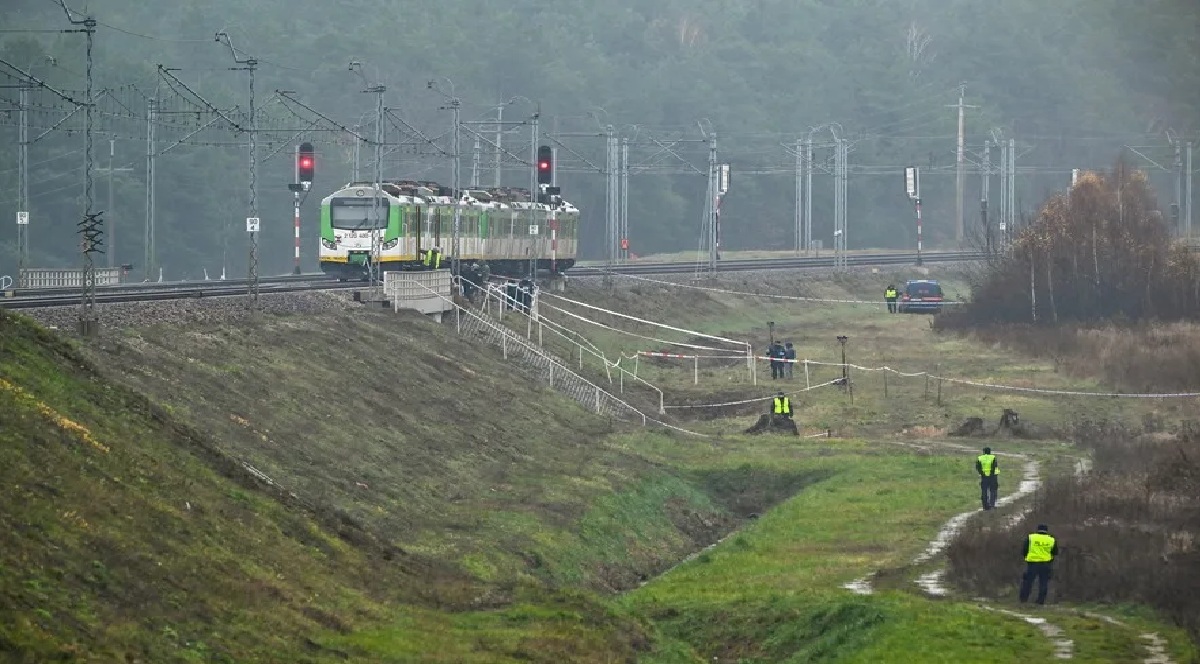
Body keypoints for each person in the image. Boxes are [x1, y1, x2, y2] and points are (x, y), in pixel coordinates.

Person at [1019, 524, 1059, 605]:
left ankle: (1023, 600)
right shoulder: (1051, 540)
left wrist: (1026, 558)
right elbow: (1055, 552)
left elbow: (1024, 549)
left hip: (1032, 563)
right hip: (1046, 564)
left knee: (1028, 582)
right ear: (1047, 530)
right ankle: (1040, 601)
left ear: (1037, 529)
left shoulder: (1031, 537)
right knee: (1043, 582)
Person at [977, 446, 999, 510]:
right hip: (993, 476)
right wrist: (991, 474)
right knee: (993, 490)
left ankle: (985, 506)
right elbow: (994, 466)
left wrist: (982, 474)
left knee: (984, 491)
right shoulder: (993, 457)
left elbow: (978, 467)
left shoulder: (980, 458)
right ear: (990, 452)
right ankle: (992, 504)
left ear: (983, 452)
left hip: (984, 477)